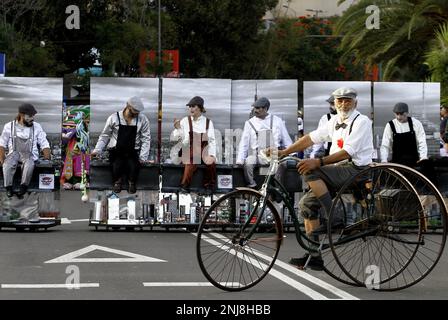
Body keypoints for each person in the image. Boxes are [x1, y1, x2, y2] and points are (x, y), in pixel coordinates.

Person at [269, 87, 374, 270]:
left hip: (356, 170)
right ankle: (314, 255)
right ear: (334, 103)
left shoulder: (362, 121)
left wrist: (318, 161)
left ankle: (335, 216)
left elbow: (348, 152)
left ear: (355, 103)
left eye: (347, 100)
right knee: (306, 206)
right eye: (339, 100)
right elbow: (311, 138)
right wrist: (285, 152)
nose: (343, 104)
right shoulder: (334, 121)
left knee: (311, 169)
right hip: (336, 170)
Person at [91, 96, 151, 194]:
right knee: (117, 164)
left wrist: (143, 157)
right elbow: (105, 136)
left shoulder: (143, 119)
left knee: (133, 166)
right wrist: (97, 150)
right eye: (134, 110)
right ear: (127, 106)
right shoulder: (113, 118)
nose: (136, 113)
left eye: (138, 111)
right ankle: (117, 181)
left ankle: (131, 182)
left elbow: (146, 138)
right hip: (116, 151)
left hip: (132, 151)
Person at [236, 97, 293, 188]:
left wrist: (292, 154)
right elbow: (244, 142)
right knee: (248, 162)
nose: (255, 110)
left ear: (265, 108)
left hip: (274, 156)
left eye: (258, 108)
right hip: (258, 155)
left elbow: (286, 139)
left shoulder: (277, 121)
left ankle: (278, 190)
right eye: (255, 108)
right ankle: (252, 185)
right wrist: (240, 160)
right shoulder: (249, 123)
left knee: (281, 168)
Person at [0, 103, 51, 198]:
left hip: (29, 155)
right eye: (30, 116)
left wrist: (47, 157)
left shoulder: (37, 126)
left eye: (33, 116)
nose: (32, 118)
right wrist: (2, 159)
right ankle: (8, 188)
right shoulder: (9, 126)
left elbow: (44, 142)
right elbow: (2, 144)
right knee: (7, 164)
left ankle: (23, 187)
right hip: (14, 153)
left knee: (29, 164)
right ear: (22, 115)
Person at [173, 96, 216, 194]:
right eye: (189, 106)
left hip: (203, 151)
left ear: (200, 107)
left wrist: (212, 156)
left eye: (193, 106)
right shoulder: (185, 121)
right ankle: (184, 185)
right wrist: (178, 128)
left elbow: (212, 141)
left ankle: (208, 186)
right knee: (191, 159)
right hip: (188, 151)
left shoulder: (208, 122)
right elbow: (177, 138)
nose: (190, 108)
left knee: (211, 163)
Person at [380, 102, 427, 166]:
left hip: (414, 163)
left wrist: (423, 157)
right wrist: (384, 160)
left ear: (407, 113)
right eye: (397, 114)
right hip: (396, 164)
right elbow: (385, 145)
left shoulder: (416, 123)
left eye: (402, 114)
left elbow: (422, 142)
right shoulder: (390, 125)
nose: (399, 117)